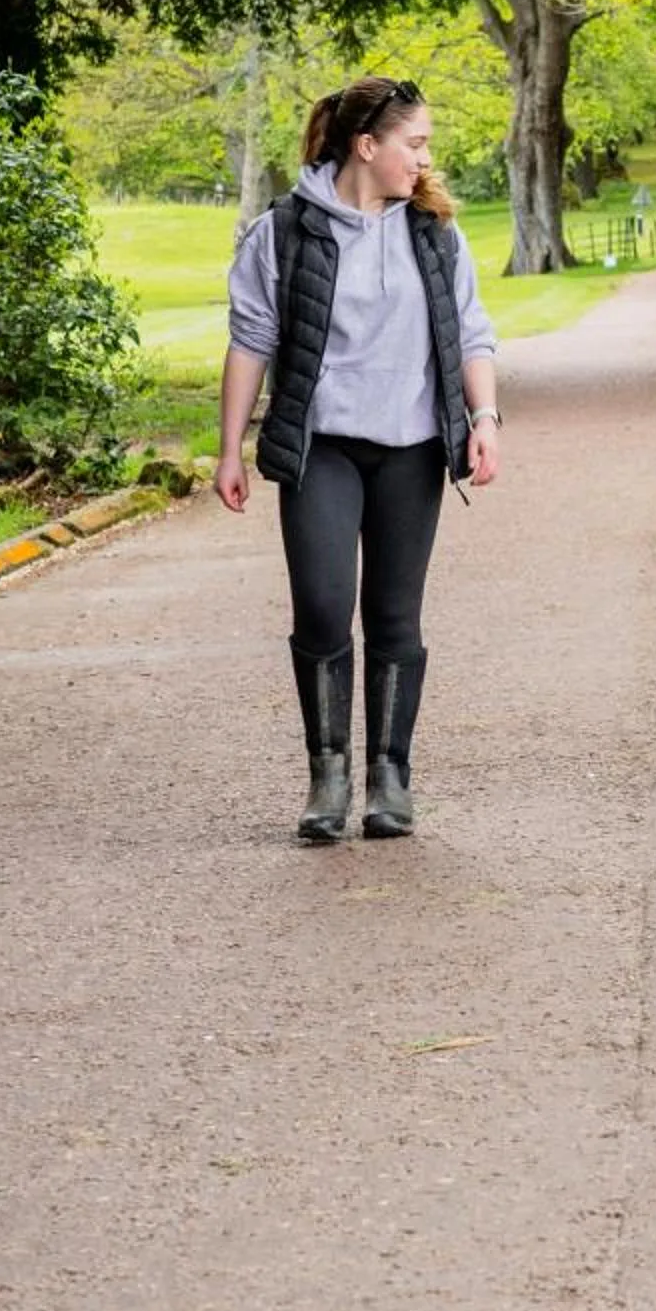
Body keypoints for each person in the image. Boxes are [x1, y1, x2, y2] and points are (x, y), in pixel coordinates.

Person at [217, 77, 502, 843]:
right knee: (322, 604)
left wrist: (484, 418)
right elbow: (251, 340)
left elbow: (472, 331)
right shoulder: (283, 232)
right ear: (366, 146)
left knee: (393, 615)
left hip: (412, 447)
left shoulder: (435, 233)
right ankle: (328, 776)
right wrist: (229, 450)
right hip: (323, 446)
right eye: (416, 143)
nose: (426, 158)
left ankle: (389, 780)